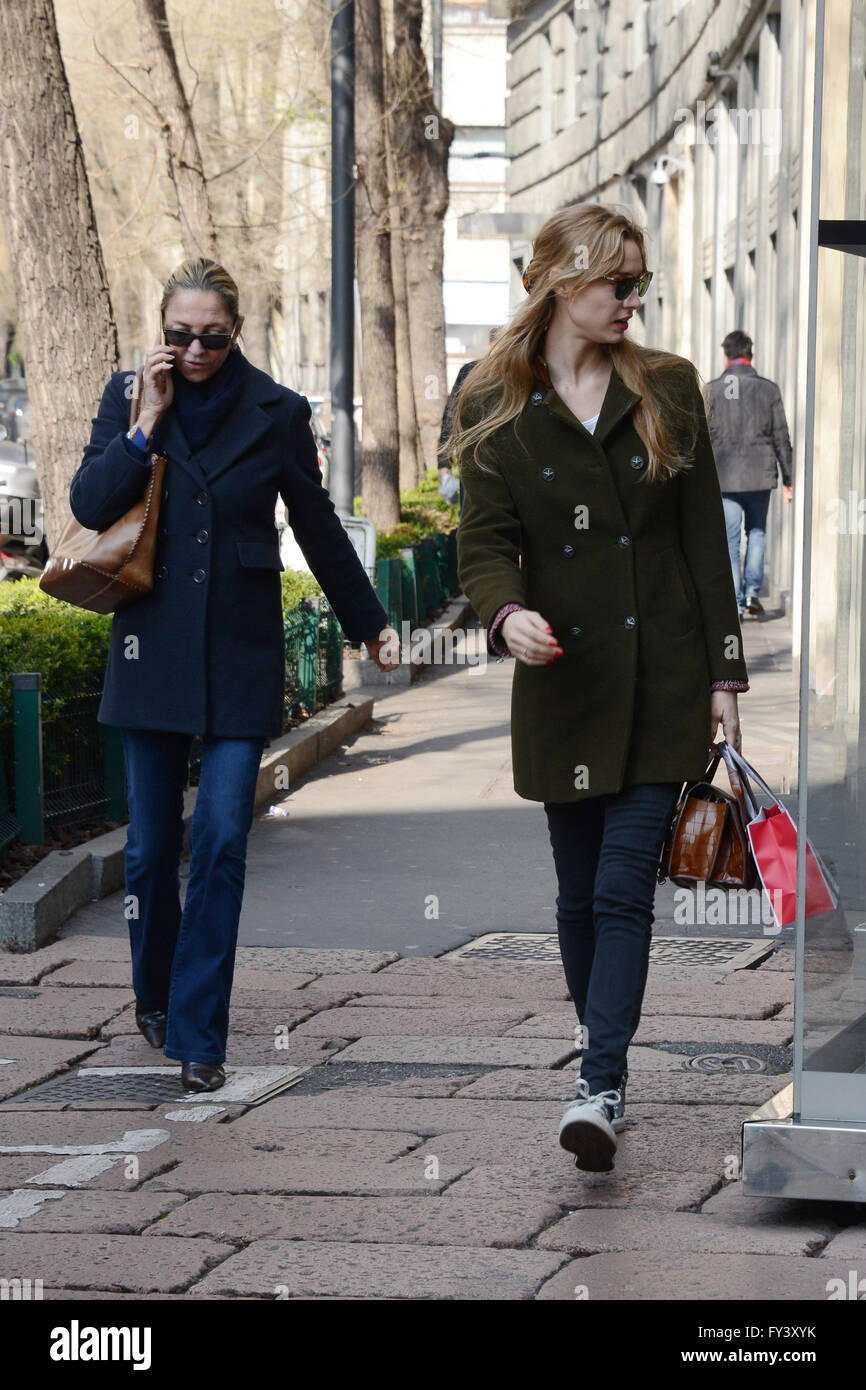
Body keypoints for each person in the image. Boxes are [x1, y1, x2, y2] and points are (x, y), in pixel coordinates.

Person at [450, 203, 748, 1173]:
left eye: (638, 283)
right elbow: (484, 542)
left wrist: (723, 671)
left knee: (623, 889)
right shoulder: (491, 400)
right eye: (617, 282)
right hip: (562, 682)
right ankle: (600, 1057)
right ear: (560, 281)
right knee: (576, 896)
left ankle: (599, 1081)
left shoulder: (668, 385)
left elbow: (702, 538)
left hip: (661, 675)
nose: (632, 299)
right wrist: (505, 613)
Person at [69, 258, 400, 1094]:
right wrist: (146, 422)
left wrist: (370, 624)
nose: (194, 351)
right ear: (161, 331)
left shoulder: (278, 411)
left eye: (211, 338)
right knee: (150, 854)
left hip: (240, 654)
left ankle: (199, 1034)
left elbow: (317, 524)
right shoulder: (128, 396)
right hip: (150, 651)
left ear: (236, 332)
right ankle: (155, 991)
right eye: (179, 336)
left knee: (220, 839)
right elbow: (88, 504)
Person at [705, 330, 793, 618]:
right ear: (750, 355)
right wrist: (789, 479)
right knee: (757, 532)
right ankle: (753, 593)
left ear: (725, 356)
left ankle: (736, 602)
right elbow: (781, 437)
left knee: (730, 541)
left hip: (725, 477)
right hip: (759, 475)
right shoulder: (769, 390)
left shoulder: (712, 390)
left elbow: (701, 438)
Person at [437, 327, 501, 512]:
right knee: (471, 516)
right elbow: (451, 415)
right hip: (473, 461)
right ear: (490, 345)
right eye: (499, 345)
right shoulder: (470, 372)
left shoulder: (520, 373)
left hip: (507, 463)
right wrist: (444, 463)